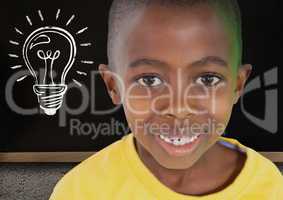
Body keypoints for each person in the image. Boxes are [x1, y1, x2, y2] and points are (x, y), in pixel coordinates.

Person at [49, 0, 283, 199]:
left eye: (208, 79)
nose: (179, 108)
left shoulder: (269, 188)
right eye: (149, 80)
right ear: (113, 86)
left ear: (238, 84)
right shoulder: (81, 191)